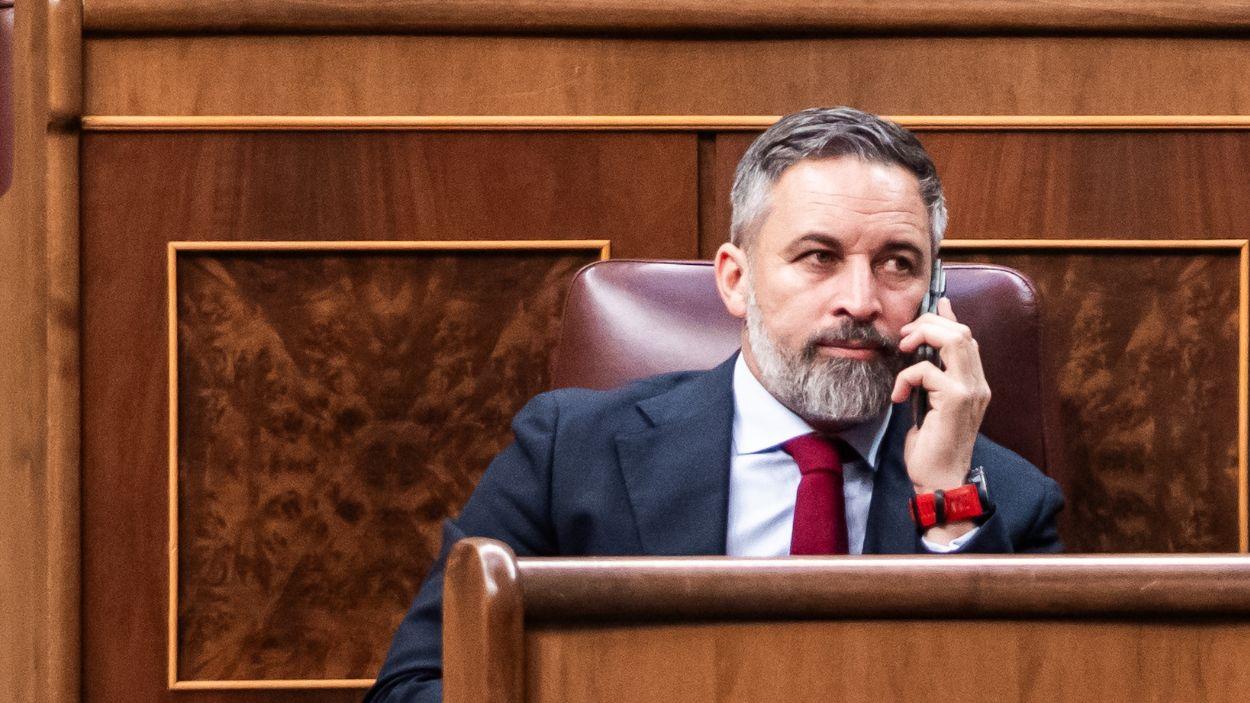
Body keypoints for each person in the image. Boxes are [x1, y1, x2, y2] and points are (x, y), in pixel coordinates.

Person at [364, 107, 1064, 702]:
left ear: (933, 295)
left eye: (898, 263)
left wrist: (948, 500)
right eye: (819, 256)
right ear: (736, 281)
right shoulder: (568, 453)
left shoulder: (1010, 500)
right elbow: (415, 686)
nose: (861, 299)